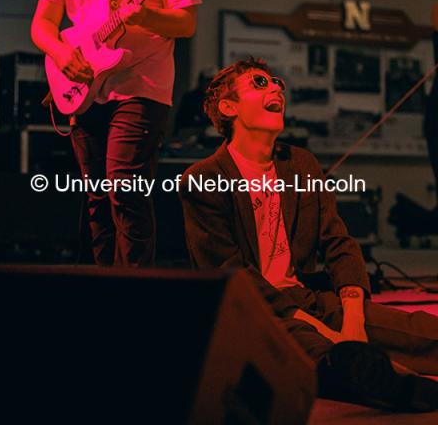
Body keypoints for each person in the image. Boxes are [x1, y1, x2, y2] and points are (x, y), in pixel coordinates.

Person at [179, 57, 438, 411]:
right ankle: (395, 384)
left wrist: (353, 321)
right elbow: (233, 273)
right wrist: (334, 338)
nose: (276, 87)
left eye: (276, 83)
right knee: (307, 348)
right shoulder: (203, 177)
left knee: (414, 330)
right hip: (255, 309)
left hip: (307, 297)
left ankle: (376, 370)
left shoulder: (301, 164)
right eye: (259, 83)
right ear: (228, 107)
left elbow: (338, 241)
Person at [31, 0, 202, 267]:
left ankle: (133, 292)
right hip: (85, 85)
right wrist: (61, 53)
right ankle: (104, 287)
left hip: (142, 85)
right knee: (97, 197)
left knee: (126, 190)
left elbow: (186, 23)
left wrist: (146, 16)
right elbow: (42, 24)